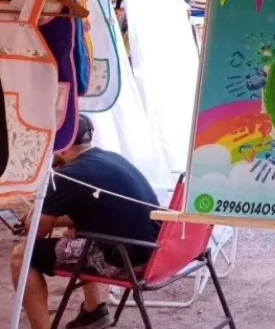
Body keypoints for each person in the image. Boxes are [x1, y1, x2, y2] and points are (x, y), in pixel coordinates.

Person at [9, 115, 161, 329]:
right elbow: (97, 210)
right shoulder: (109, 158)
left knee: (21, 255)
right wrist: (60, 221)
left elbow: (36, 232)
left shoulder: (67, 175)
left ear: (60, 147)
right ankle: (93, 310)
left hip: (126, 261)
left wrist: (34, 213)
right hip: (154, 251)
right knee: (76, 228)